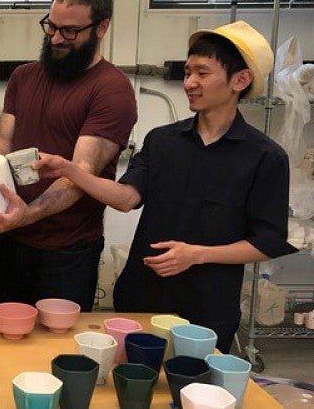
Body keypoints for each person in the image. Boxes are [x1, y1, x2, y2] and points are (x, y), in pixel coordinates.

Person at [35, 20, 297, 353]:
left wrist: (197, 255)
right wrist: (71, 169)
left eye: (202, 73)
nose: (189, 82)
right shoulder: (162, 141)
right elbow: (127, 198)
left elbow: (269, 241)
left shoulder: (265, 157)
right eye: (188, 72)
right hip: (141, 297)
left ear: (240, 80)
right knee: (131, 385)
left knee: (192, 393)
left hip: (207, 309)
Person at [0, 0, 138, 311]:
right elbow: (3, 142)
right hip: (12, 240)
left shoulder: (111, 90)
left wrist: (25, 215)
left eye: (70, 31)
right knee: (6, 334)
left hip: (67, 251)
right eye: (51, 26)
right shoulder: (24, 77)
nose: (56, 38)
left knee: (57, 350)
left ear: (102, 27)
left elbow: (80, 174)